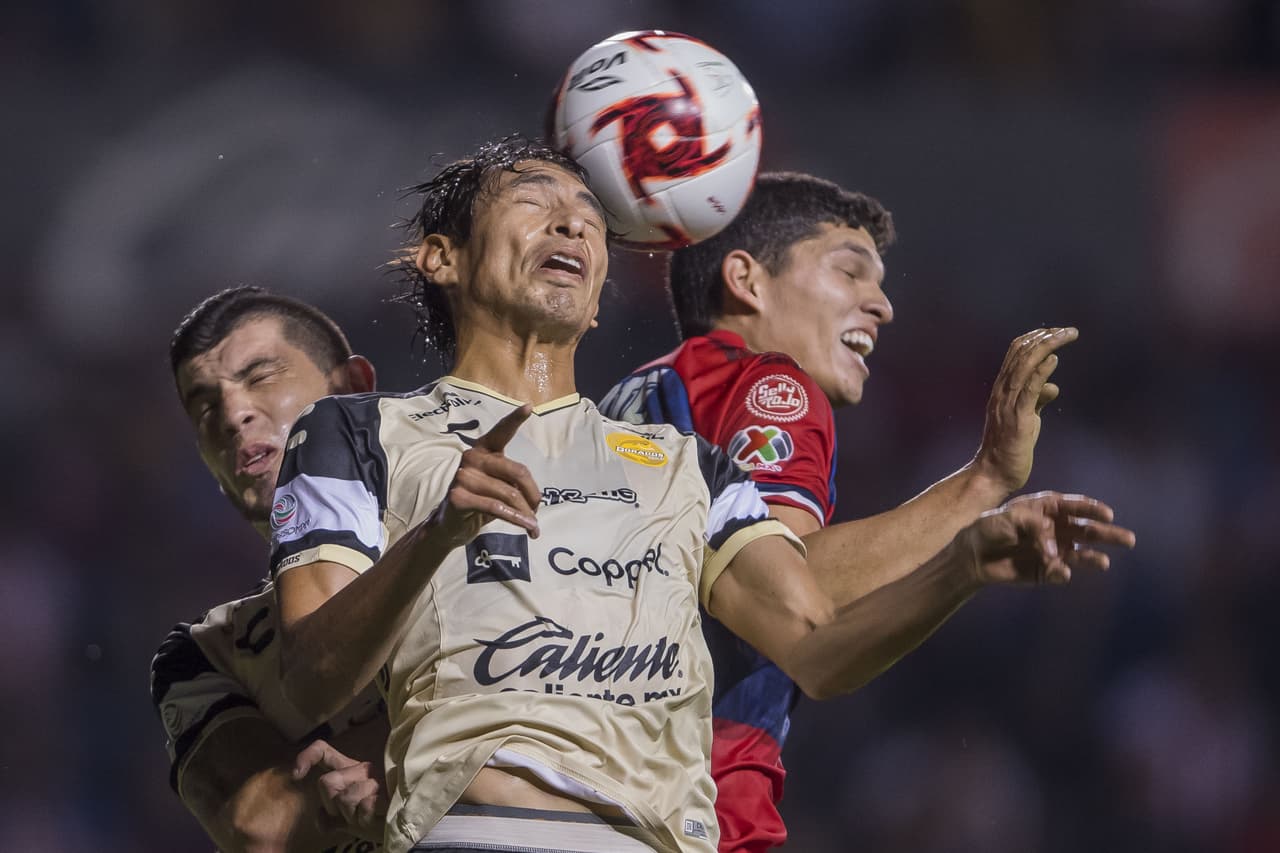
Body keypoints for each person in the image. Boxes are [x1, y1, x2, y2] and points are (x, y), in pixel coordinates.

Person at [268, 135, 1133, 853]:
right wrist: (434, 535)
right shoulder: (357, 433)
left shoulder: (683, 463)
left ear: (601, 298)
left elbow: (816, 647)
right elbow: (309, 679)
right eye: (534, 200)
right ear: (442, 257)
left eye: (589, 214)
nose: (572, 219)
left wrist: (963, 565)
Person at [600, 171, 1077, 851]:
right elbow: (797, 591)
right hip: (694, 808)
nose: (881, 305)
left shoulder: (635, 391)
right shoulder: (771, 384)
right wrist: (984, 482)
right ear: (747, 280)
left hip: (598, 790)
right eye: (850, 272)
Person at [150, 286, 389, 852]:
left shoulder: (480, 535)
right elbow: (259, 826)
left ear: (351, 387)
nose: (233, 415)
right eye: (205, 408)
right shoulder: (204, 654)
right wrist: (423, 752)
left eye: (260, 377)